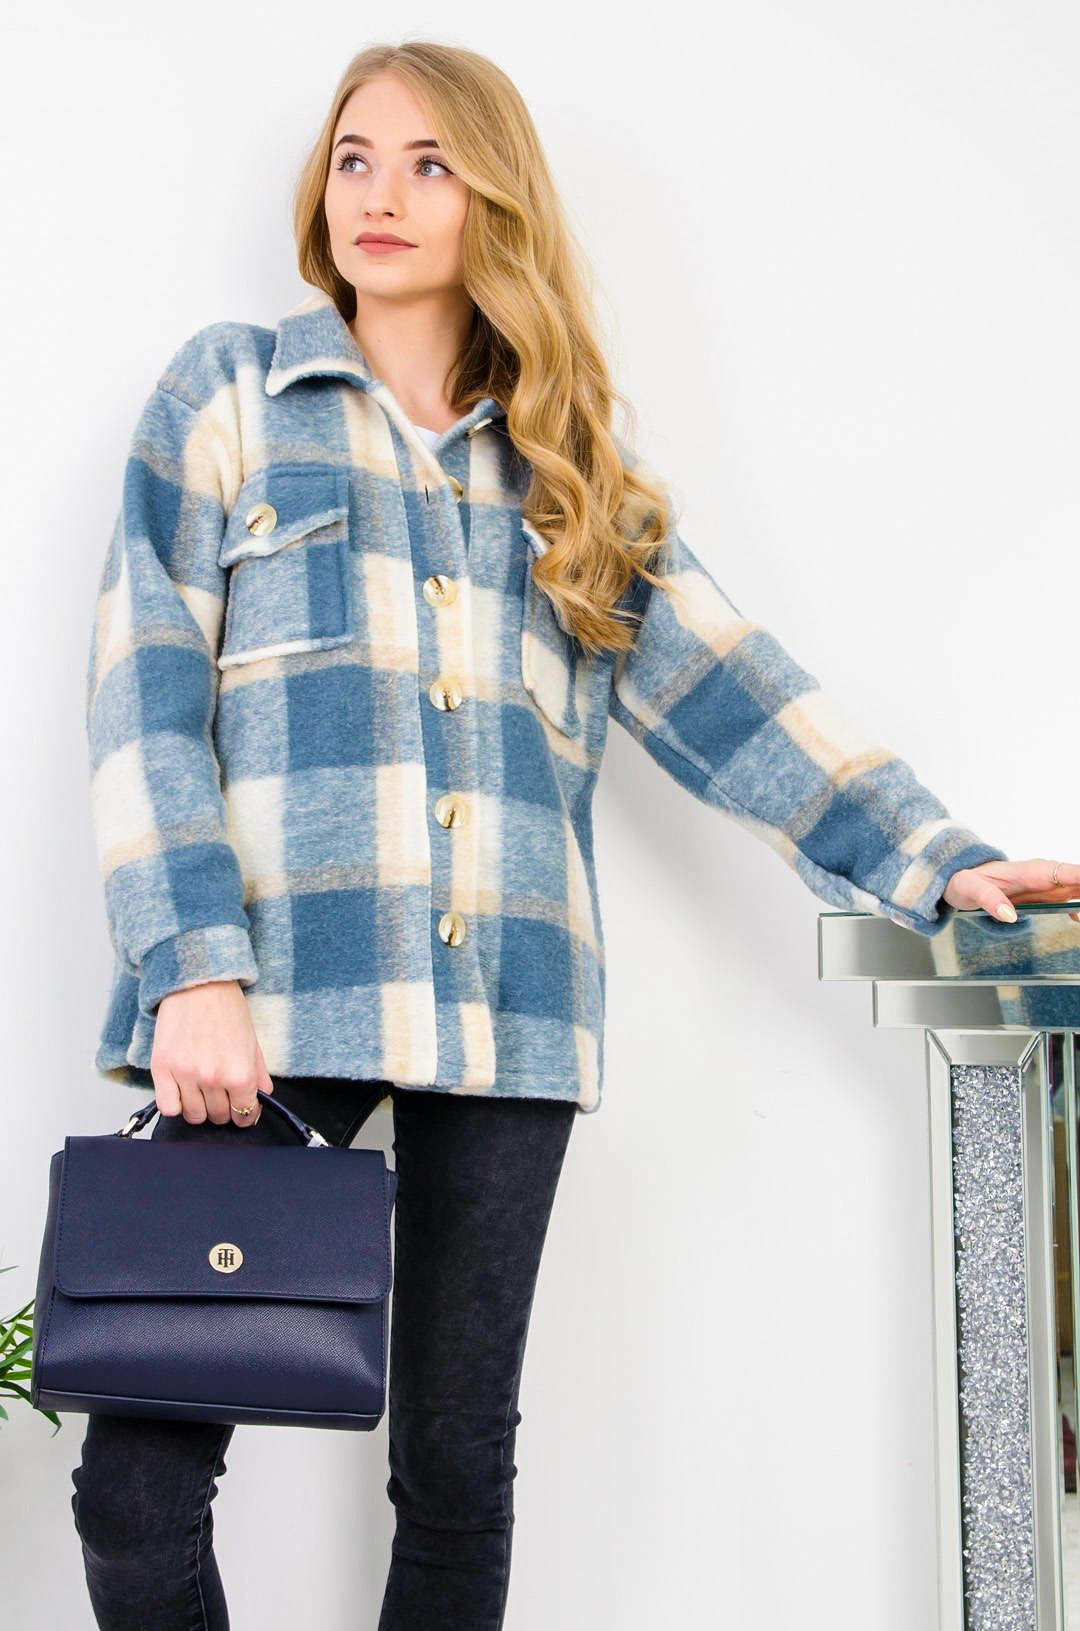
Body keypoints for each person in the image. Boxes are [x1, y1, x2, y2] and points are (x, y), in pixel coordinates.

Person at [69, 38, 1079, 1631]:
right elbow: (144, 698)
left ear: (495, 202)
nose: (379, 194)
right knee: (135, 1483)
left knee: (456, 1471)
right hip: (271, 1007)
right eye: (353, 158)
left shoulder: (569, 469)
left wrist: (932, 852)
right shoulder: (232, 397)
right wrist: (192, 967)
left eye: (429, 163)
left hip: (511, 1010)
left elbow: (736, 694)